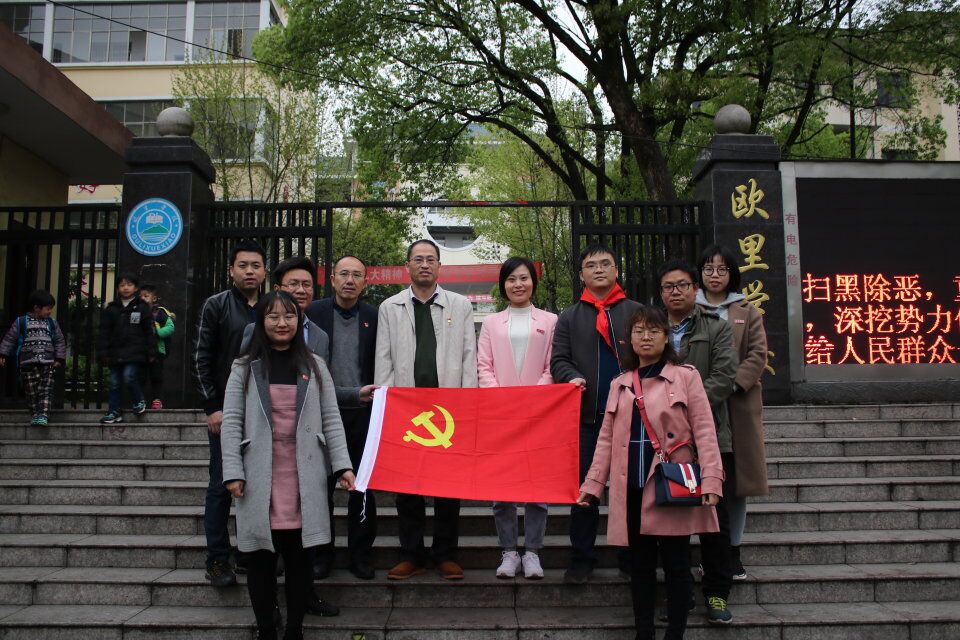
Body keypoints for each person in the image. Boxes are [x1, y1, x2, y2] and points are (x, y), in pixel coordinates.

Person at [577, 306, 723, 640]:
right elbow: (605, 440)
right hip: (632, 485)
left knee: (676, 565)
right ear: (629, 340)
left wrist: (712, 479)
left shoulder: (685, 376)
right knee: (639, 567)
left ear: (666, 337)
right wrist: (593, 484)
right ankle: (644, 632)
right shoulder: (620, 383)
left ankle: (675, 634)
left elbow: (704, 429)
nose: (646, 337)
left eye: (654, 331)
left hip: (670, 485)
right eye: (639, 331)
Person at [220, 291, 355, 640]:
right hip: (258, 476)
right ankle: (267, 629)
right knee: (260, 560)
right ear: (261, 321)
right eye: (274, 316)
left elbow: (331, 419)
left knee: (300, 559)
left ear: (299, 320)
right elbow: (232, 422)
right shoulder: (243, 368)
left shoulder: (315, 366)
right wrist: (233, 471)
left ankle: (295, 629)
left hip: (304, 475)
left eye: (290, 316)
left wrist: (342, 465)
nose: (282, 323)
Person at [375, 239, 477, 581]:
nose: (424, 265)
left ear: (439, 266)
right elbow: (384, 359)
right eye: (418, 259)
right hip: (407, 410)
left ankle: (445, 554)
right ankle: (411, 554)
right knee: (408, 485)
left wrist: (468, 404)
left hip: (449, 410)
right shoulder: (390, 307)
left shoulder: (460, 306)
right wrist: (387, 403)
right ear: (407, 265)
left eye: (430, 259)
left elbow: (469, 357)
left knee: (448, 486)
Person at [550, 243, 642, 584]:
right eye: (591, 265)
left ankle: (632, 556)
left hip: (632, 420)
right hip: (587, 420)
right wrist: (571, 376)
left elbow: (652, 356)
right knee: (585, 493)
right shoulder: (569, 317)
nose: (599, 269)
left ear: (617, 270)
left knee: (631, 490)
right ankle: (581, 559)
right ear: (581, 275)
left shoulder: (637, 312)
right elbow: (559, 359)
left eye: (605, 264)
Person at [658, 258, 737, 625]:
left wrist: (684, 406)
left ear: (695, 289)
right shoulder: (652, 327)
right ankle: (680, 593)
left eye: (682, 285)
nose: (675, 292)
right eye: (668, 287)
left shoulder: (716, 326)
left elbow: (724, 376)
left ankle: (717, 593)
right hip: (665, 442)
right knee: (671, 519)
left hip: (709, 436)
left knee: (713, 517)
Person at [477, 257, 557, 580]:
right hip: (501, 415)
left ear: (533, 282)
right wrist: (503, 400)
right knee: (502, 487)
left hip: (539, 414)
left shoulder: (550, 320)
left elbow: (552, 365)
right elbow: (484, 366)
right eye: (511, 279)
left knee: (537, 487)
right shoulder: (491, 323)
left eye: (524, 278)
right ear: (503, 285)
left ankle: (533, 552)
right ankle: (509, 551)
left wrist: (533, 398)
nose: (518, 284)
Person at [194, 240, 266, 588]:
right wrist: (212, 407)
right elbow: (201, 358)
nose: (249, 271)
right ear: (231, 271)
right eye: (243, 265)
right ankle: (217, 559)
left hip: (264, 412)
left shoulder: (272, 307)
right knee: (221, 486)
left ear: (265, 271)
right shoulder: (216, 305)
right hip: (227, 412)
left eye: (256, 265)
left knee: (260, 485)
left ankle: (250, 553)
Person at [696, 245, 769, 581]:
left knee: (735, 483)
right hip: (698, 403)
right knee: (699, 478)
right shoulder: (688, 308)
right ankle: (707, 552)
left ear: (732, 274)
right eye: (709, 269)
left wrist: (730, 384)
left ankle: (733, 551)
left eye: (722, 269)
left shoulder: (746, 310)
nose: (715, 275)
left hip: (736, 405)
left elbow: (757, 354)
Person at [305, 255, 379, 580]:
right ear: (332, 278)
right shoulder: (313, 313)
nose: (350, 280)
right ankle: (322, 554)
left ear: (365, 281)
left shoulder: (375, 316)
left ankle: (360, 555)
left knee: (361, 487)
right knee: (320, 487)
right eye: (344, 274)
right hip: (321, 413)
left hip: (364, 415)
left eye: (357, 275)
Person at [0, 289, 66, 426]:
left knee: (46, 390)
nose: (50, 312)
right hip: (27, 363)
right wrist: (3, 353)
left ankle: (43, 415)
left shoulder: (52, 323)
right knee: (31, 391)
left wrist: (59, 358)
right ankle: (35, 414)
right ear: (36, 308)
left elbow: (59, 341)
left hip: (48, 363)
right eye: (48, 308)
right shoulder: (21, 322)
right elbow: (9, 339)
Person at [98, 274, 155, 424]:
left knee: (129, 376)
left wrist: (151, 350)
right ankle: (114, 411)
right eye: (122, 285)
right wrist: (103, 352)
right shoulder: (111, 309)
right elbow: (104, 332)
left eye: (129, 285)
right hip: (115, 352)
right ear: (118, 288)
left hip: (135, 351)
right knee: (114, 382)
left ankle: (138, 400)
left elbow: (149, 331)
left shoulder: (142, 307)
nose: (125, 288)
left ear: (135, 288)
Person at [138, 284, 175, 410]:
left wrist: (158, 333)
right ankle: (140, 400)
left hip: (157, 350)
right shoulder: (136, 312)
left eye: (146, 296)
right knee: (141, 376)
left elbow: (170, 327)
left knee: (156, 376)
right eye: (140, 296)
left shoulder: (160, 312)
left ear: (153, 298)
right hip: (140, 350)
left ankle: (157, 399)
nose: (142, 298)